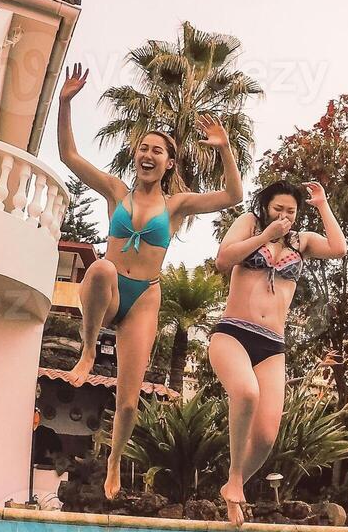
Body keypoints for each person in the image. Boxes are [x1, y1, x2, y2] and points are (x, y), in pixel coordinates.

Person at [56, 63, 244, 499]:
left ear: (168, 162)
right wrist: (65, 103)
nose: (149, 153)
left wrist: (224, 148)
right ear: (135, 155)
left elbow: (234, 196)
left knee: (127, 401)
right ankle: (87, 350)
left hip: (144, 298)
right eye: (144, 147)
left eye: (158, 150)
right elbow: (68, 155)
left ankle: (116, 461)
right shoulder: (114, 191)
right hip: (109, 289)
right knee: (102, 266)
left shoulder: (176, 206)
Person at [212, 179, 348, 526]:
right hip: (233, 333)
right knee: (245, 392)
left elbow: (338, 248)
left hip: (272, 344)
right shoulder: (249, 224)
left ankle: (234, 483)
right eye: (279, 209)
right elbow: (224, 259)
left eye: (291, 211)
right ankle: (235, 479)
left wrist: (322, 204)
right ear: (266, 207)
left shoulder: (301, 242)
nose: (285, 215)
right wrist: (265, 234)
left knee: (267, 435)